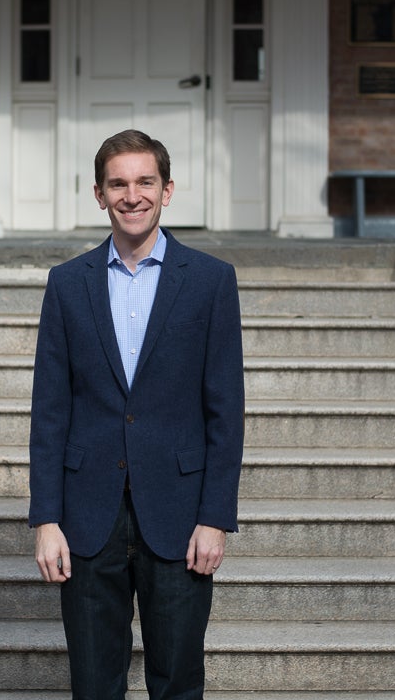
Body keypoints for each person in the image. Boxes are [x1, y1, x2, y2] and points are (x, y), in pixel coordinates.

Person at [29, 129, 244, 700]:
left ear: (167, 190)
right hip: (87, 518)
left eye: (145, 181)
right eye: (118, 184)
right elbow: (49, 411)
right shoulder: (68, 283)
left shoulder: (210, 281)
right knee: (94, 685)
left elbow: (225, 410)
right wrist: (46, 519)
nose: (132, 195)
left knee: (177, 682)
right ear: (99, 194)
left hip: (179, 516)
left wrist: (216, 517)